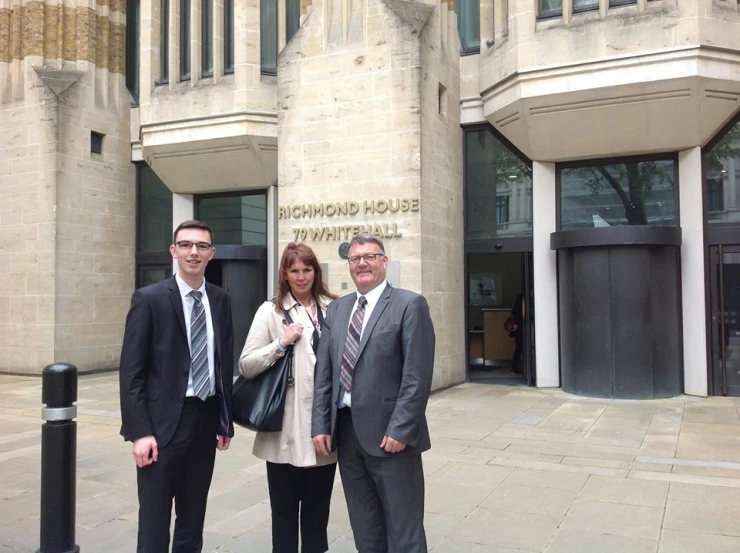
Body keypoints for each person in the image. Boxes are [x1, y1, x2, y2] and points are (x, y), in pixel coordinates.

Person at [312, 233, 436, 553]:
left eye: (370, 256)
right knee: (364, 524)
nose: (362, 263)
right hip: (348, 433)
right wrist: (321, 425)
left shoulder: (409, 304)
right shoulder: (338, 310)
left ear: (384, 261)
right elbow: (324, 375)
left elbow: (416, 376)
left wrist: (401, 429)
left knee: (403, 527)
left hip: (391, 437)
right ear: (349, 266)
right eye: (355, 258)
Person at [119, 219, 234, 553]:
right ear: (174, 251)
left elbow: (221, 363)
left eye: (200, 246)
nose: (193, 252)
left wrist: (224, 419)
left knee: (193, 517)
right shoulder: (149, 299)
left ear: (211, 253)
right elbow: (132, 373)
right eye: (185, 245)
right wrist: (140, 432)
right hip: (161, 426)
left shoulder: (220, 300)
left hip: (205, 420)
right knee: (154, 520)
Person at [239, 243, 338, 553]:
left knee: (317, 514)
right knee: (283, 516)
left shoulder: (334, 307)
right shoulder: (270, 311)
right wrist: (280, 344)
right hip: (284, 428)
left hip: (324, 427)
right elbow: (246, 364)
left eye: (307, 269)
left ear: (316, 271)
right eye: (294, 270)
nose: (301, 276)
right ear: (284, 273)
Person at [510, 293, 524, 375]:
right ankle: (515, 368)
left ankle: (514, 368)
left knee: (518, 349)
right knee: (519, 349)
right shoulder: (520, 313)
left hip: (518, 330)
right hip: (520, 330)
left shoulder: (515, 312)